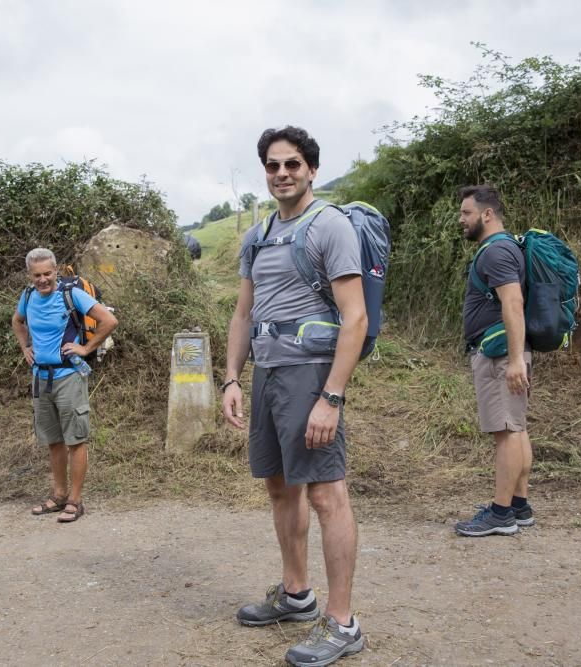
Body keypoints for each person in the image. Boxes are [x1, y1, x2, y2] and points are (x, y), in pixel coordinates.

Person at [221, 126, 367, 666]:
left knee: (327, 495)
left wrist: (332, 396)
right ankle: (296, 594)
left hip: (311, 374)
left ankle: (343, 622)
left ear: (311, 170)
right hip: (267, 375)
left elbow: (356, 317)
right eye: (273, 164)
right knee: (280, 488)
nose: (282, 172)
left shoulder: (330, 226)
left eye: (293, 164)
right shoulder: (256, 236)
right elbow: (242, 314)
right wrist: (233, 378)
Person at [11, 248, 117, 524]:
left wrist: (86, 347)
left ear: (56, 271)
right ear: (30, 276)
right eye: (37, 275)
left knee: (75, 441)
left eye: (47, 273)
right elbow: (17, 321)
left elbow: (109, 320)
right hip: (41, 378)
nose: (43, 280)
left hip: (69, 376)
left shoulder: (71, 295)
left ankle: (75, 501)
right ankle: (58, 496)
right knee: (54, 441)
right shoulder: (28, 296)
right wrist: (25, 347)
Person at [455, 185, 535, 537]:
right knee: (515, 429)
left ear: (487, 215)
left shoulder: (496, 252)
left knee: (505, 432)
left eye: (466, 213)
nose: (461, 220)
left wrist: (516, 359)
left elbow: (513, 303)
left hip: (502, 355)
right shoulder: (506, 247)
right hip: (508, 353)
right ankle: (519, 505)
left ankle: (501, 514)